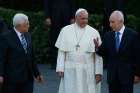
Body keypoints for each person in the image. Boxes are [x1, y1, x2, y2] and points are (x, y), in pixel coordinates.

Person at [55, 8, 103, 93]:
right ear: (76, 18)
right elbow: (61, 52)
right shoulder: (65, 30)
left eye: (86, 18)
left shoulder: (94, 32)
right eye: (82, 18)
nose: (85, 21)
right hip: (70, 70)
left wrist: (98, 72)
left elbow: (98, 55)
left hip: (88, 70)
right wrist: (60, 68)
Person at [95, 10, 140, 93]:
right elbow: (103, 52)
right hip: (112, 77)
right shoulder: (108, 35)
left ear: (121, 22)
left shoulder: (133, 35)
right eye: (109, 22)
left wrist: (137, 74)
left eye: (112, 22)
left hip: (127, 77)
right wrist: (97, 48)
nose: (110, 25)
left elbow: (138, 57)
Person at [0, 13, 43, 93]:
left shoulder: (28, 36)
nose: (29, 25)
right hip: (11, 79)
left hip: (27, 79)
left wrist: (37, 73)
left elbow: (32, 56)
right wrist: (0, 75)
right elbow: (1, 58)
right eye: (27, 24)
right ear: (19, 25)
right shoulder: (5, 37)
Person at [44, 0, 75, 69]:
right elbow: (46, 3)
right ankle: (54, 63)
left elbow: (72, 3)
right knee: (54, 40)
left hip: (67, 17)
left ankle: (67, 61)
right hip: (54, 17)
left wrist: (73, 17)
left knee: (68, 41)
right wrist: (47, 17)